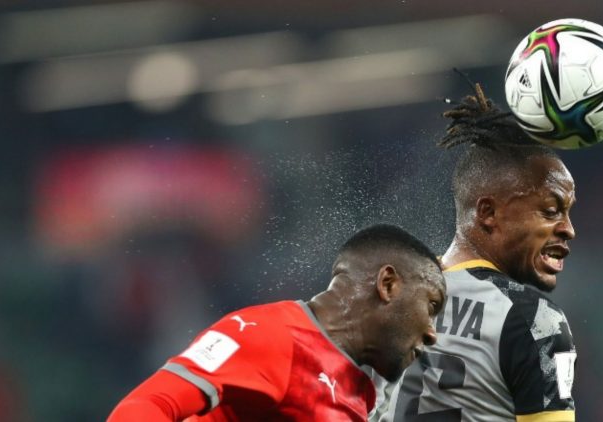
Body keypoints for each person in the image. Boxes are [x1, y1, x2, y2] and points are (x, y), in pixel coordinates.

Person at [371, 84, 578, 421]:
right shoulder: (535, 320)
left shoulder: (387, 302)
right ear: (488, 213)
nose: (568, 229)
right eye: (551, 211)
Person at [109, 224, 447, 422]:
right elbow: (145, 407)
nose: (432, 332)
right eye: (431, 306)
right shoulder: (269, 336)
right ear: (387, 284)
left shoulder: (359, 392)